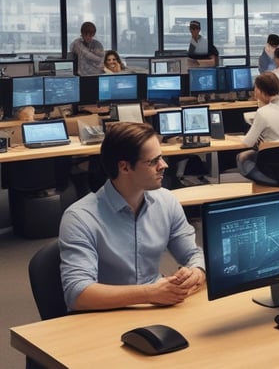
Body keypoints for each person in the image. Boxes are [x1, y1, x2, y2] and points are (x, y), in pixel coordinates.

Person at [59, 121, 206, 312]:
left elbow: (194, 253)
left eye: (161, 158)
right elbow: (77, 294)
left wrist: (196, 271)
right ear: (125, 168)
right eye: (153, 161)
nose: (164, 165)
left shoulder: (166, 202)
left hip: (157, 307)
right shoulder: (80, 218)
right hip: (105, 315)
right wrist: (149, 293)